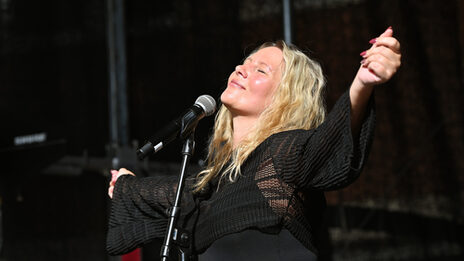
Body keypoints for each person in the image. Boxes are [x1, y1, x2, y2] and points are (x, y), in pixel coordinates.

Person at [106, 27, 401, 260]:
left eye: (262, 70)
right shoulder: (211, 186)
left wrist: (362, 83)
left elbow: (326, 145)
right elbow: (178, 197)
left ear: (286, 98)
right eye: (244, 63)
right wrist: (127, 186)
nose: (241, 69)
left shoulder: (279, 157)